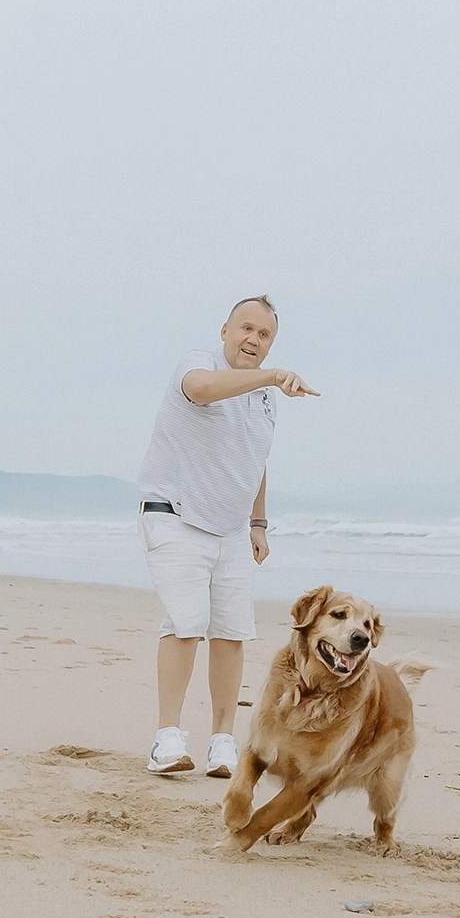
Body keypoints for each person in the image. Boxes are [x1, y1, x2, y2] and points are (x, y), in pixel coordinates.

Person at [136, 295, 319, 776]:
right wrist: (272, 374)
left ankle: (222, 741)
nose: (253, 340)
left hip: (232, 528)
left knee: (231, 632)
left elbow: (254, 462)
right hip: (174, 513)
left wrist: (257, 524)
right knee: (185, 622)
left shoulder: (264, 399)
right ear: (225, 329)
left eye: (264, 336)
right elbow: (200, 390)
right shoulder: (199, 363)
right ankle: (167, 739)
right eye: (247, 329)